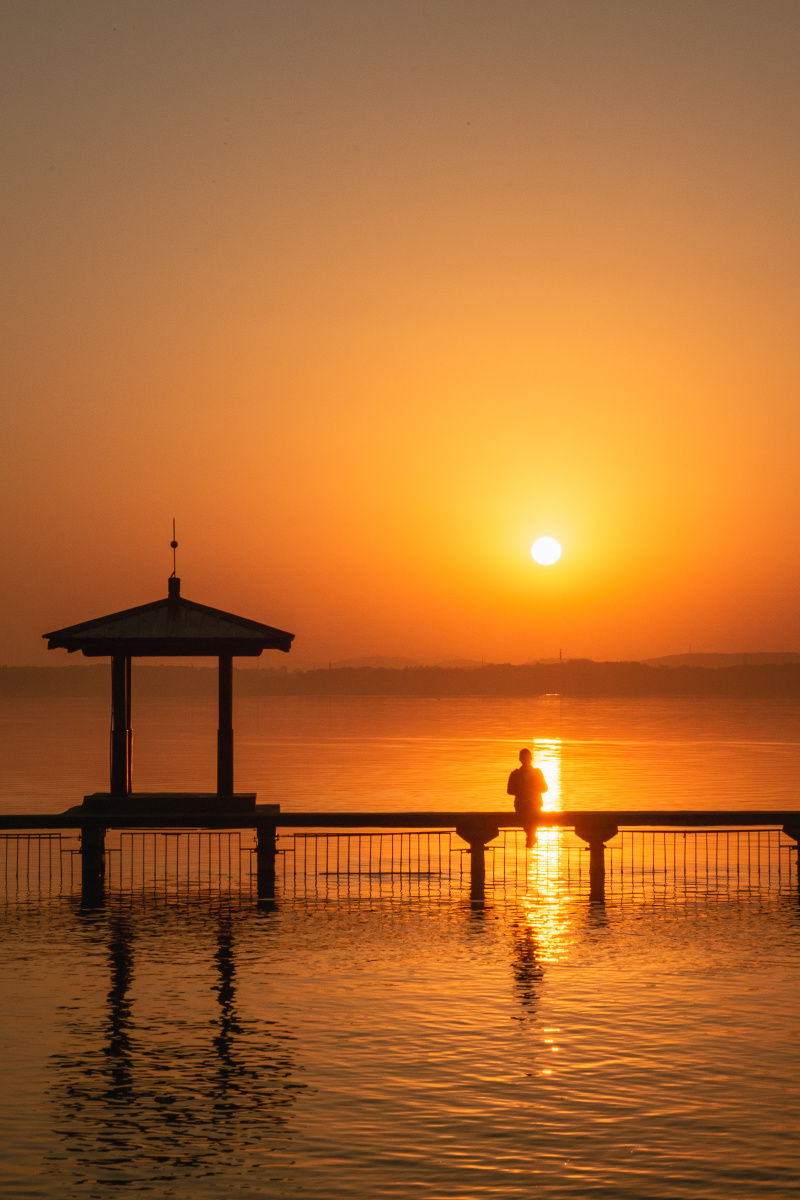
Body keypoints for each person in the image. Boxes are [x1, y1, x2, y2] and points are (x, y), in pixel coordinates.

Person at [507, 748, 548, 848]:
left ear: (531, 758)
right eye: (524, 758)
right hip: (522, 805)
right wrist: (521, 792)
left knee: (531, 809)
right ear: (520, 759)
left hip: (534, 805)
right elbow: (509, 790)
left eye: (527, 757)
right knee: (528, 810)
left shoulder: (537, 773)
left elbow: (544, 788)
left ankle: (530, 836)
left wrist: (532, 791)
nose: (526, 760)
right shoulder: (515, 774)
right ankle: (531, 836)